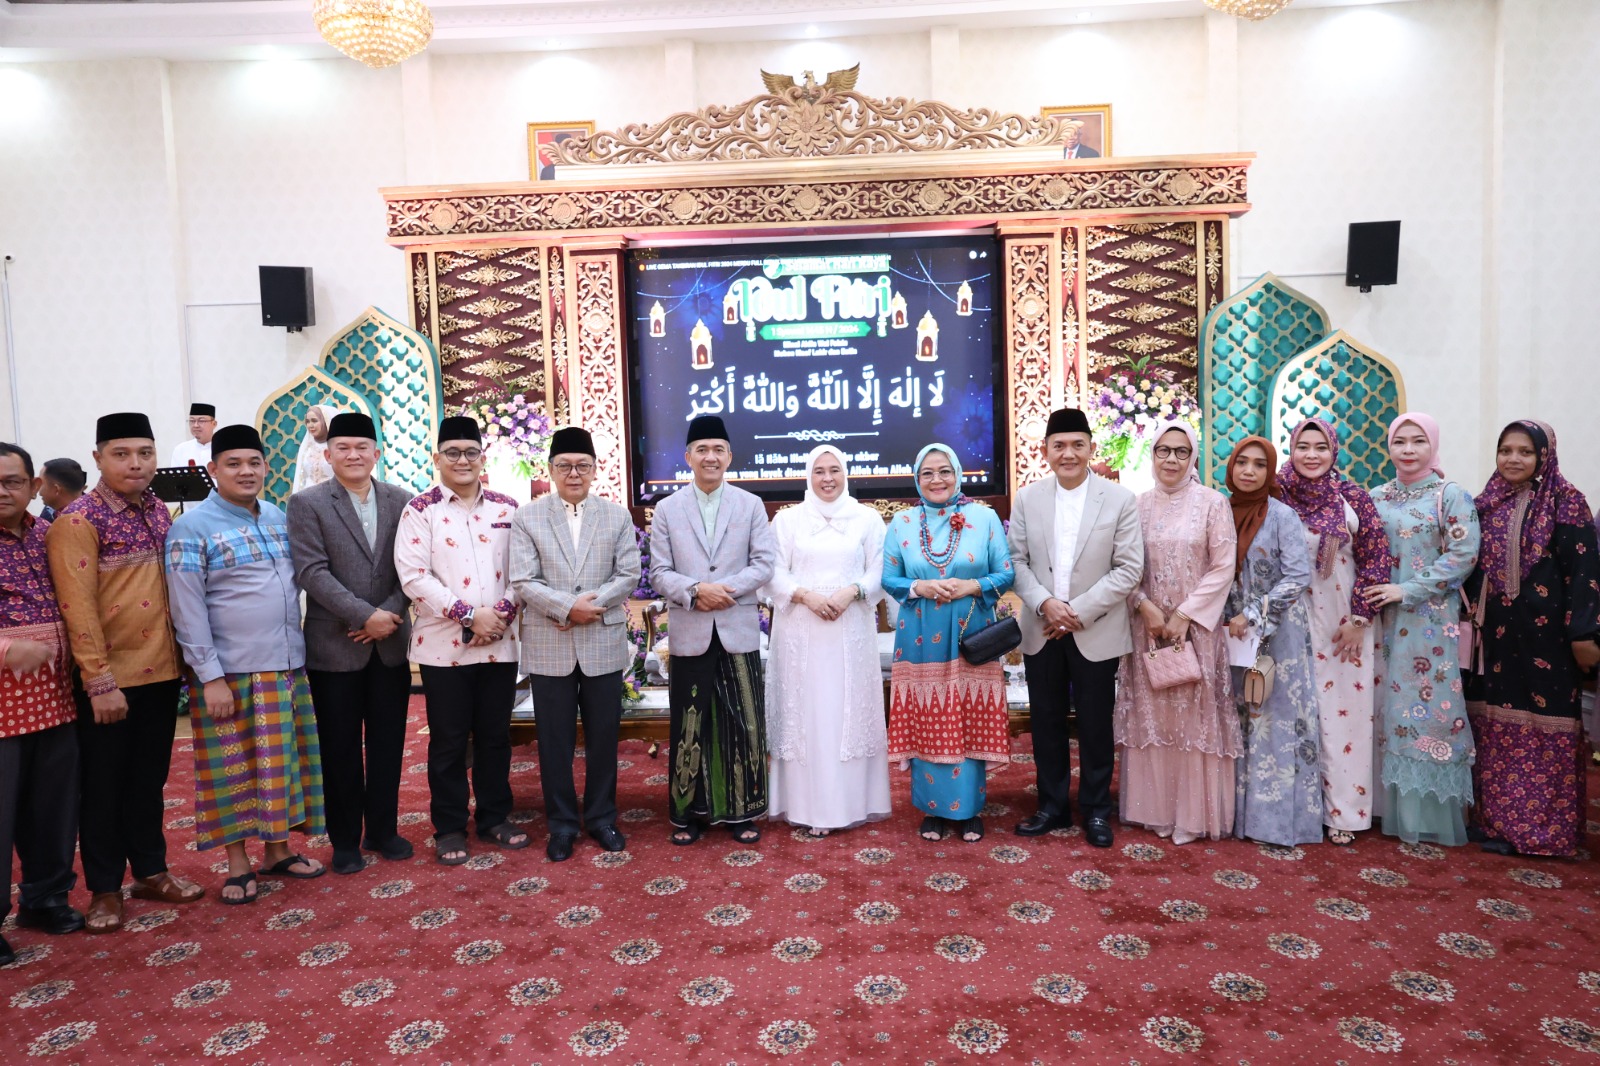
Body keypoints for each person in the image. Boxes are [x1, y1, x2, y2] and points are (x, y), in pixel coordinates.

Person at [47, 412, 203, 934]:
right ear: (98, 458)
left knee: (148, 781)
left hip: (161, 673)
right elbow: (77, 608)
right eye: (121, 454)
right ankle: (105, 889)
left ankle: (152, 871)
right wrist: (98, 681)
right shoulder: (78, 521)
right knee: (103, 787)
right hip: (110, 682)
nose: (135, 464)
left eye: (144, 453)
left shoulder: (158, 510)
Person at [166, 425, 326, 902]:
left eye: (254, 462)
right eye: (233, 464)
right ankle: (237, 864)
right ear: (213, 470)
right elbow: (187, 609)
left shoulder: (277, 516)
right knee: (232, 770)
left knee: (282, 765)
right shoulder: (191, 528)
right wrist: (209, 677)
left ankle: (277, 851)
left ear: (266, 467)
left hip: (286, 665)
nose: (245, 472)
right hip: (230, 673)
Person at [285, 412, 414, 876]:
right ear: (328, 454)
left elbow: (412, 568)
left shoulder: (403, 501)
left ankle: (383, 830)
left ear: (376, 453)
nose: (353, 455)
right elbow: (311, 571)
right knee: (338, 747)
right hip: (334, 646)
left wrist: (388, 616)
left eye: (362, 447)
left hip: (390, 643)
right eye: (343, 447)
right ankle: (344, 840)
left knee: (388, 743)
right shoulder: (307, 503)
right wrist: (365, 616)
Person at [1008, 407, 1143, 849]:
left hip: (1095, 629)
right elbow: (1016, 562)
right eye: (1059, 445)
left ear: (1091, 448)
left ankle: (1097, 810)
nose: (1068, 453)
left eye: (1077, 445)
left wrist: (1076, 612)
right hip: (1042, 627)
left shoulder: (1119, 499)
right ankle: (1051, 806)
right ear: (1045, 451)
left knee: (1095, 724)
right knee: (1045, 722)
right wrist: (1047, 604)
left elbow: (1128, 569)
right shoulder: (1028, 498)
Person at [395, 415, 527, 865]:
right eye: (453, 453)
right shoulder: (420, 510)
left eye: (471, 452)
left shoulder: (508, 508)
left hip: (499, 643)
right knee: (449, 741)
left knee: (495, 737)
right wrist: (470, 616)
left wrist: (500, 615)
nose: (462, 460)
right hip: (442, 647)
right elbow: (414, 576)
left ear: (482, 458)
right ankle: (449, 826)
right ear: (437, 458)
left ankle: (494, 817)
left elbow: (524, 571)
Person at [1465, 420, 1600, 857]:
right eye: (1505, 450)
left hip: (1549, 640)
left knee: (1546, 727)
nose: (1513, 459)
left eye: (1525, 451)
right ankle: (1495, 823)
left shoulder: (1567, 501)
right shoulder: (1486, 502)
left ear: (1544, 455)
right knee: (1493, 725)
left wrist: (1584, 632)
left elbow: (1585, 573)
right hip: (1495, 638)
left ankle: (1544, 834)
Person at [509, 427, 641, 861]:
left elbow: (628, 574)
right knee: (554, 742)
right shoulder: (528, 517)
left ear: (595, 469)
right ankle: (562, 824)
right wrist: (567, 608)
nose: (573, 473)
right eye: (564, 465)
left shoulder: (616, 516)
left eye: (582, 465)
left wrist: (589, 607)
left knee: (604, 737)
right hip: (551, 642)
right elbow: (523, 579)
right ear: (550, 470)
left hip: (602, 640)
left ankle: (602, 818)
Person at [648, 415, 776, 845]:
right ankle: (689, 814)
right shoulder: (667, 509)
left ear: (729, 457)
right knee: (691, 724)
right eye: (702, 449)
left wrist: (724, 591)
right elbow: (659, 571)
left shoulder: (750, 504)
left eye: (718, 449)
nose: (710, 457)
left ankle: (743, 812)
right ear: (688, 457)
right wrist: (695, 591)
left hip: (737, 629)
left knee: (744, 723)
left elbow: (763, 563)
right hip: (691, 630)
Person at [1115, 421, 1239, 845]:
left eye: (1181, 451)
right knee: (1154, 712)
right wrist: (1142, 604)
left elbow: (1223, 567)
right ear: (1151, 455)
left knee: (1192, 715)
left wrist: (1185, 614)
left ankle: (1191, 815)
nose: (1171, 459)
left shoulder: (1213, 504)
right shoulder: (1135, 506)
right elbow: (1121, 565)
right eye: (1163, 450)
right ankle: (1153, 810)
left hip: (1196, 631)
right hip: (1148, 630)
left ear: (1193, 457)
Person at [883, 443, 1014, 844]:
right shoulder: (902, 522)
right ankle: (932, 809)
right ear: (916, 479)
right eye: (927, 473)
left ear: (957, 475)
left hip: (971, 632)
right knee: (928, 713)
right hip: (920, 633)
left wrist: (972, 585)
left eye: (944, 471)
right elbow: (889, 578)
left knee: (968, 713)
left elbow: (1006, 573)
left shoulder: (984, 517)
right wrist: (920, 586)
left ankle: (970, 809)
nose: (936, 479)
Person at [1367, 413, 1481, 846]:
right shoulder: (1377, 496)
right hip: (1380, 619)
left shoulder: (1450, 495)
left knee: (1426, 706)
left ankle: (1427, 816)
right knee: (1386, 707)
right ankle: (1382, 808)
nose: (1409, 449)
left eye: (1418, 441)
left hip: (1429, 623)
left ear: (1433, 445)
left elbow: (1464, 555)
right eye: (1400, 441)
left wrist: (1408, 590)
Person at [765, 445, 891, 836]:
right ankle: (805, 807)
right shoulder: (787, 521)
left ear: (845, 473)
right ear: (808, 475)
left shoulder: (867, 519)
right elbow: (771, 571)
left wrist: (851, 591)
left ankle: (849, 805)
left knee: (846, 715)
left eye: (834, 470)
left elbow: (882, 570)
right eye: (819, 471)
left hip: (850, 633)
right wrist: (806, 596)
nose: (827, 478)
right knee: (806, 717)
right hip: (799, 634)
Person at [1276, 418, 1391, 845]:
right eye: (1303, 446)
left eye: (1320, 447)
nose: (1311, 455)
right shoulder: (1277, 493)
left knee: (1344, 715)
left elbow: (1377, 559)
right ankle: (1295, 810)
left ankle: (1345, 812)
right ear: (1291, 449)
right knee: (1291, 712)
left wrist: (1360, 619)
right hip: (1288, 618)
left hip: (1342, 624)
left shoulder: (1353, 497)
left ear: (1334, 451)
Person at [0, 442, 84, 964]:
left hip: (54, 700)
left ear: (34, 487)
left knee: (52, 809)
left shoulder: (47, 536)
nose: (1, 492)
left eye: (11, 481)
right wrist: (7, 649)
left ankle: (45, 899)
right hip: (2, 708)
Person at [1223, 436, 1322, 847]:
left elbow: (1298, 576)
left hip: (1277, 634)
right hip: (1231, 635)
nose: (1249, 471)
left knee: (1275, 719)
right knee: (1238, 716)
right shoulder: (1219, 511)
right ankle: (1235, 816)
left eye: (1259, 464)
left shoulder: (1282, 515)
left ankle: (1274, 822)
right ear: (1230, 467)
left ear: (1270, 471)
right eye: (1242, 462)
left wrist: (1254, 614)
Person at [292, 404, 341, 494]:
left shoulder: (339, 448)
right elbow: (301, 479)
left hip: (333, 496)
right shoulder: (307, 448)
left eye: (314, 421)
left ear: (326, 421)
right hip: (308, 497)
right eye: (307, 421)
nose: (310, 425)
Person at [38, 458, 86, 523]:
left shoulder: (71, 523)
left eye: (41, 484)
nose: (38, 490)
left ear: (56, 489)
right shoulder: (49, 511)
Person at [170, 402, 217, 468]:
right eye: (192, 421)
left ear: (214, 424)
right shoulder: (180, 449)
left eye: (201, 421)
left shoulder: (223, 449)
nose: (195, 425)